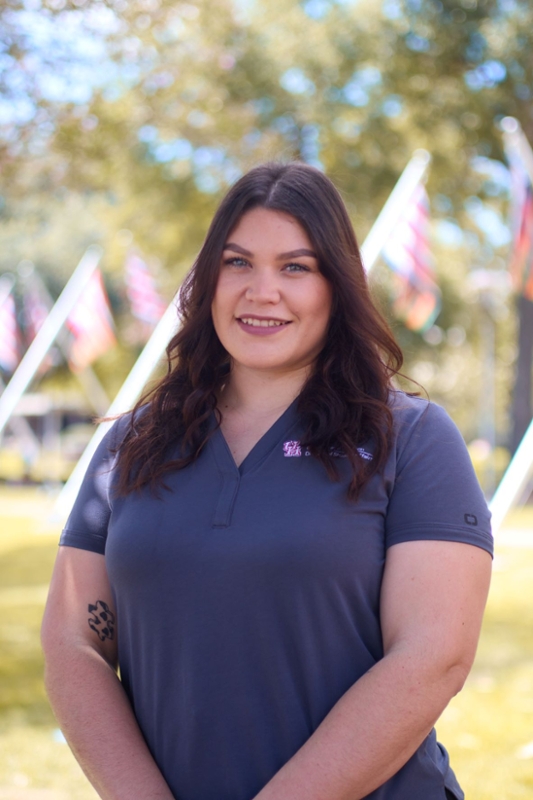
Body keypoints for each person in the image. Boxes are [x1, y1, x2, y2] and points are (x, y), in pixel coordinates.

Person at [41, 162, 493, 800]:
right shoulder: (132, 443)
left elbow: (432, 657)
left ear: (336, 286)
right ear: (208, 280)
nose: (261, 291)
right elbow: (73, 640)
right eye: (237, 262)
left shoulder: (413, 438)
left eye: (295, 267)